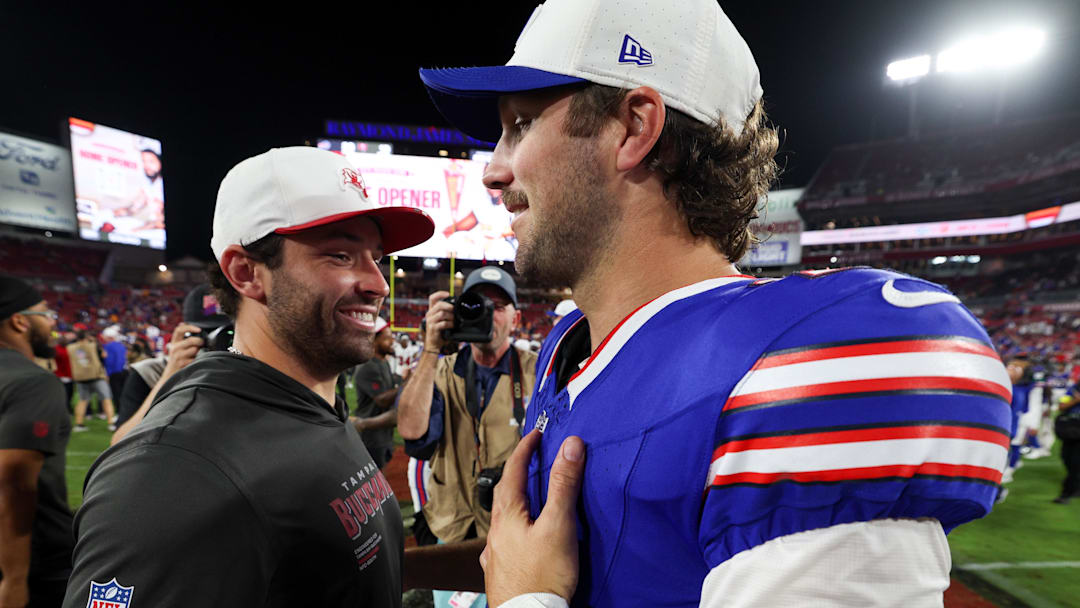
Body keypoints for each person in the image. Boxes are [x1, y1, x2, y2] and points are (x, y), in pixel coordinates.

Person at [419, 0, 1014, 605]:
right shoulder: (572, 343)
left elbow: (534, 581)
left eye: (520, 124)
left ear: (633, 127)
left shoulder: (793, 371)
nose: (493, 170)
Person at [62, 146, 436, 607]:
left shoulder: (302, 401)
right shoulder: (172, 472)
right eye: (340, 255)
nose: (379, 283)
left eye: (375, 257)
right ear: (245, 272)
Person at [397, 265, 538, 608]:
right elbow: (413, 433)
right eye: (478, 304)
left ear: (515, 320)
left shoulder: (537, 370)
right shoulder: (440, 370)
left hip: (513, 532)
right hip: (454, 530)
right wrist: (431, 350)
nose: (487, 313)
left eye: (498, 306)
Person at [0, 277, 74, 608]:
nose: (50, 324)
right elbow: (13, 486)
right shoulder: (34, 383)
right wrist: (13, 579)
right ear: (19, 321)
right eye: (44, 314)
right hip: (32, 563)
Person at [110, 283, 229, 444]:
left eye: (226, 333)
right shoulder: (150, 373)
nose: (213, 342)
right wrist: (169, 375)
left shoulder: (247, 371)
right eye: (203, 334)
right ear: (182, 331)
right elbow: (119, 443)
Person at [351, 315, 403, 470]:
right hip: (370, 434)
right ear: (374, 339)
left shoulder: (383, 362)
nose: (392, 341)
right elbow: (382, 399)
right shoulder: (367, 366)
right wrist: (408, 384)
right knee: (375, 482)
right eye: (387, 337)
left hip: (383, 431)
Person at [66, 329, 116, 432]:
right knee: (106, 399)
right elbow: (104, 355)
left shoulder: (70, 347)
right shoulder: (93, 345)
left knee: (82, 401)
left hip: (80, 377)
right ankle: (111, 423)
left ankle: (79, 424)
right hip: (96, 376)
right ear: (86, 337)